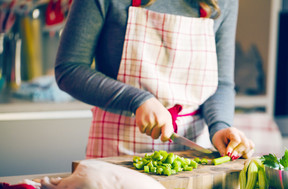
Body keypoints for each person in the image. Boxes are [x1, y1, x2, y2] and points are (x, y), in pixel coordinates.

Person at [55, 0, 255, 160]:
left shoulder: (222, 2)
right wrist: (138, 100)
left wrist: (220, 127)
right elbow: (69, 69)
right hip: (117, 151)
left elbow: (220, 83)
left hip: (192, 152)